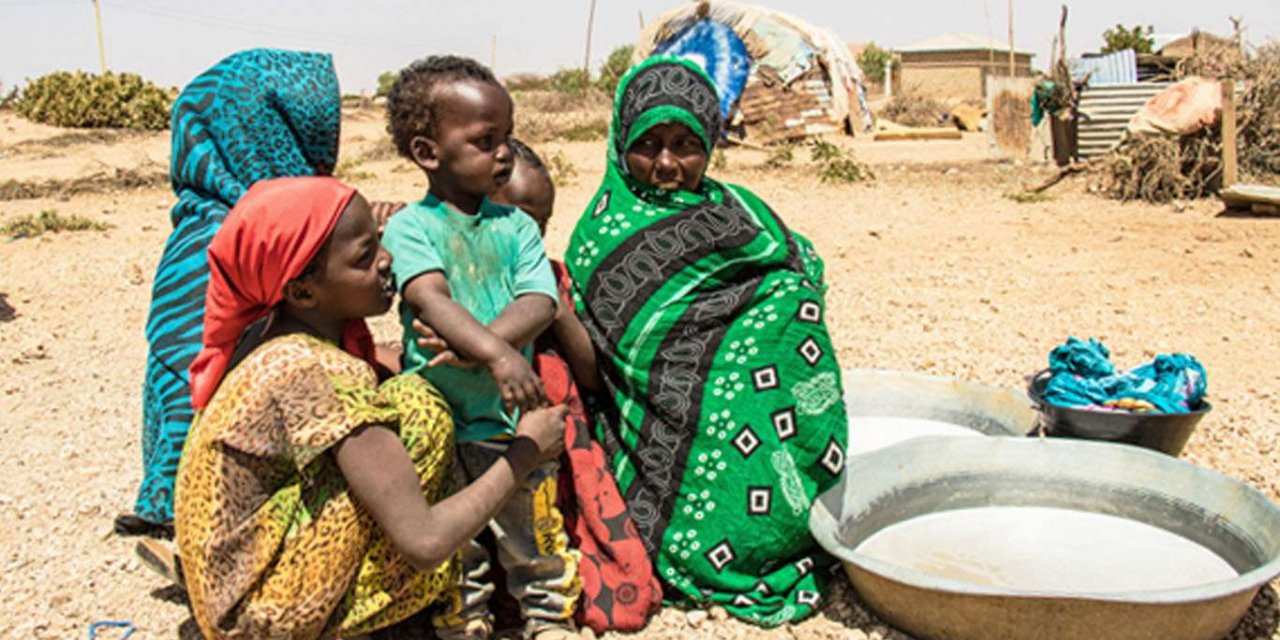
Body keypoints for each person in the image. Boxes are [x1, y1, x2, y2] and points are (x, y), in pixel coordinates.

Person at [174, 176, 568, 640]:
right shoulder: (317, 372)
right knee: (422, 408)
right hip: (260, 623)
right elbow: (424, 542)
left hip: (227, 596)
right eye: (365, 256)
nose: (388, 260)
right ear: (303, 292)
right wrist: (526, 450)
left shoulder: (267, 333)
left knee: (400, 396)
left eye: (379, 241)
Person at [565, 56, 849, 627]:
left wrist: (775, 317)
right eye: (648, 144)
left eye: (686, 144)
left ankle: (787, 526)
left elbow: (800, 267)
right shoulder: (598, 239)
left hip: (757, 409)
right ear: (621, 144)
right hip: (657, 441)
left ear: (711, 145)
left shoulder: (737, 209)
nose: (666, 164)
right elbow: (602, 368)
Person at [381, 56, 581, 640]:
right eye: (485, 141)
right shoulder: (411, 228)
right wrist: (497, 354)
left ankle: (549, 619)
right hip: (442, 421)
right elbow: (429, 297)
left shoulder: (514, 226)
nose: (503, 154)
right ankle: (463, 621)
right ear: (427, 152)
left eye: (507, 138)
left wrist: (485, 348)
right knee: (457, 545)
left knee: (534, 533)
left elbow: (540, 301)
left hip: (511, 416)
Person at [123, 49, 345, 536]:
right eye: (309, 137)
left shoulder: (216, 221)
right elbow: (199, 385)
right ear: (271, 135)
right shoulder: (236, 241)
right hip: (221, 499)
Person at [490, 139, 662, 633]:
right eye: (518, 220)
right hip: (491, 448)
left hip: (562, 457)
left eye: (541, 224)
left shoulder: (552, 278)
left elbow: (590, 375)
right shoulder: (457, 282)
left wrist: (552, 302)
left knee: (622, 586)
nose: (532, 235)